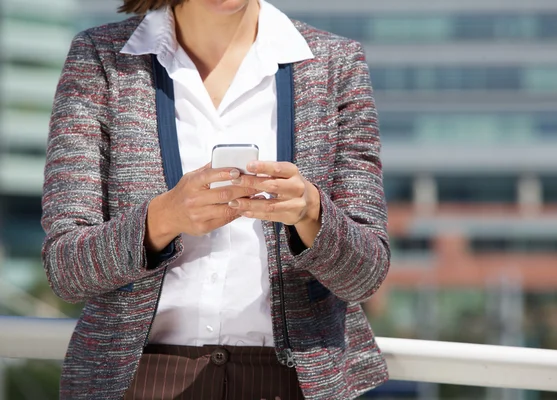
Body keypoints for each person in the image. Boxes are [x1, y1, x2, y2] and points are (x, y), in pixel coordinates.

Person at [41, 0, 390, 398]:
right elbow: (65, 268)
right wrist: (162, 219)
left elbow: (368, 273)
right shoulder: (100, 59)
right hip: (141, 379)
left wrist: (311, 212)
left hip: (293, 382)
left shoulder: (334, 64)